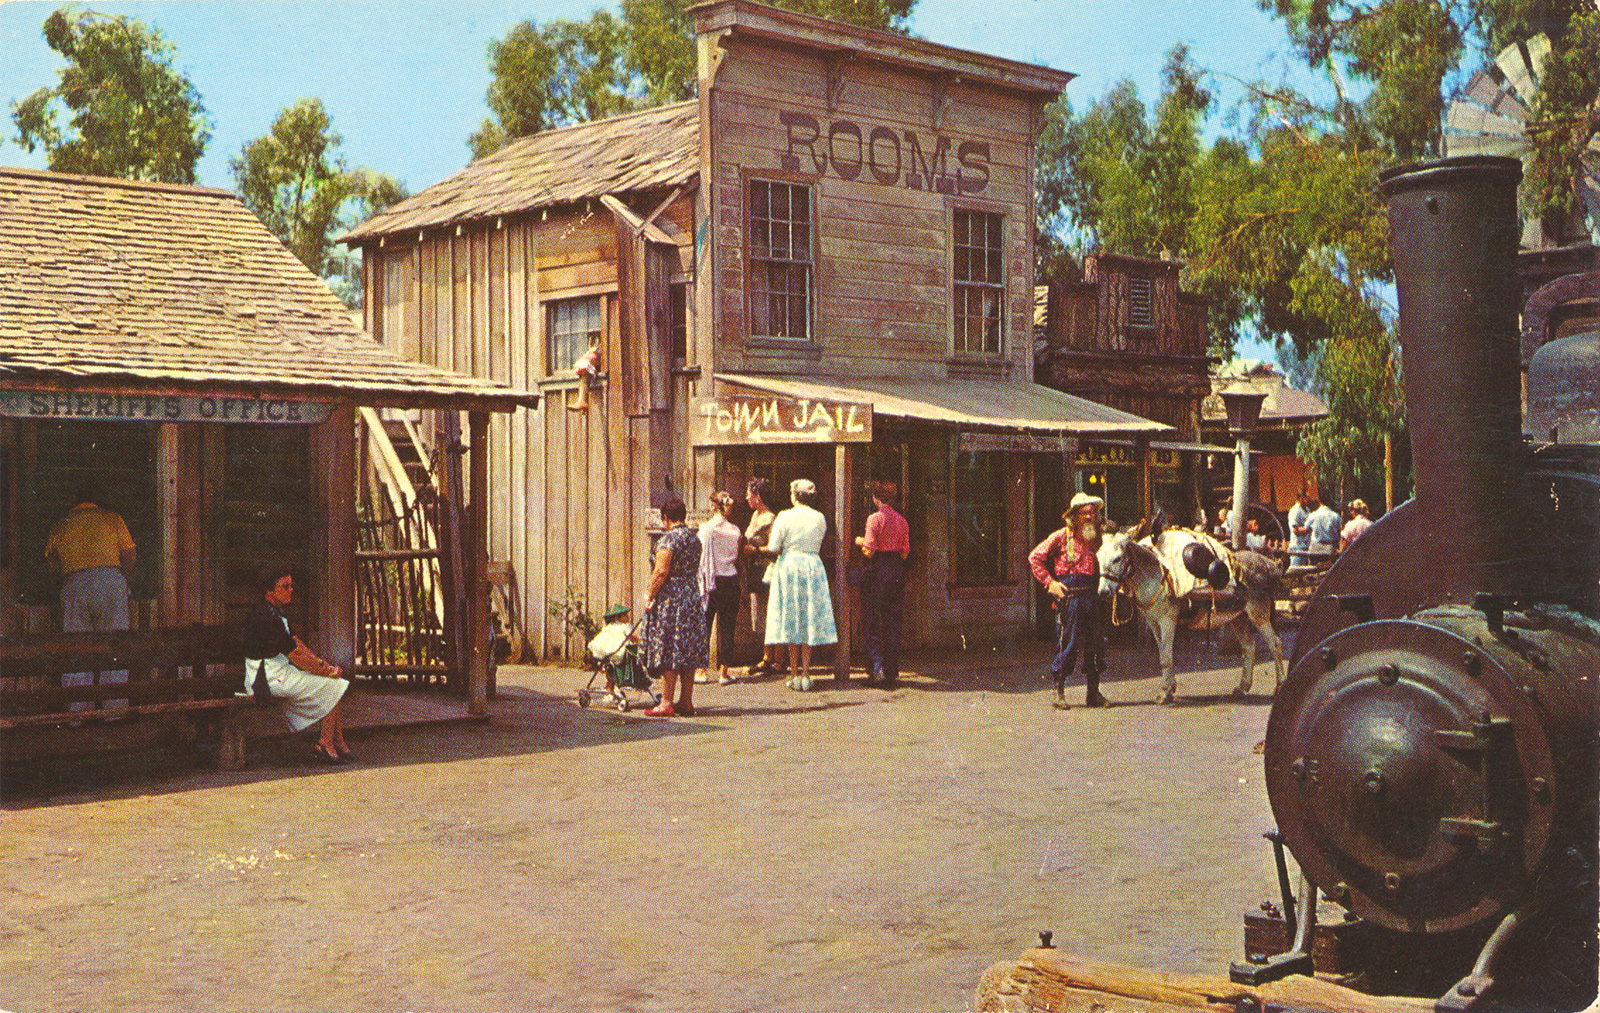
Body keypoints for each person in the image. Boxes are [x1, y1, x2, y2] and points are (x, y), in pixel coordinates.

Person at [239, 564, 354, 763]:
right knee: (333, 684)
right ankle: (326, 743)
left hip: (278, 671)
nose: (291, 590)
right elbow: (294, 655)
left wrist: (322, 665)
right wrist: (325, 672)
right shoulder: (265, 617)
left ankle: (336, 740)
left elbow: (297, 643)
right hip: (265, 678)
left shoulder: (277, 611)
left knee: (333, 682)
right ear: (269, 591)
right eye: (285, 586)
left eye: (291, 585)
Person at [45, 487, 136, 714]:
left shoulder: (61, 524)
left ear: (73, 500)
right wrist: (119, 577)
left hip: (75, 583)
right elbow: (128, 555)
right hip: (111, 581)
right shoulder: (112, 519)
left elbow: (53, 565)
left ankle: (77, 714)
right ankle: (114, 713)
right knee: (115, 647)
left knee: (77, 649)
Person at [1028, 492, 1108, 710]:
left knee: (1095, 643)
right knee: (1068, 643)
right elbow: (1035, 557)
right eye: (1085, 513)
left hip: (1092, 595)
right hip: (1070, 598)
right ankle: (1058, 691)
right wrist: (1050, 583)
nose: (1090, 517)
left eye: (1093, 512)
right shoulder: (1061, 536)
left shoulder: (1097, 538)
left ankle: (1093, 693)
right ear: (1074, 516)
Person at [764, 478, 838, 691]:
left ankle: (794, 673)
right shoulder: (820, 517)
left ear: (794, 496)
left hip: (790, 566)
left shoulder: (785, 516)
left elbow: (774, 546)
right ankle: (806, 672)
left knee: (792, 617)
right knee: (808, 618)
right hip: (813, 566)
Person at [642, 495, 708, 716]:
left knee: (669, 646)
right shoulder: (694, 539)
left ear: (665, 517)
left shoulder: (668, 540)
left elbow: (661, 571)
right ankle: (686, 701)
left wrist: (649, 596)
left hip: (671, 599)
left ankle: (666, 702)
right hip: (691, 595)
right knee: (687, 648)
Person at [854, 480, 910, 687]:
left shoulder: (874, 519)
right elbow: (905, 552)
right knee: (892, 622)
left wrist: (860, 541)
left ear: (875, 498)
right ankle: (891, 670)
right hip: (896, 568)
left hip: (877, 569)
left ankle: (876, 668)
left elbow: (869, 549)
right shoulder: (902, 521)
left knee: (871, 621)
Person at [697, 490, 744, 685]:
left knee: (704, 625)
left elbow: (700, 557)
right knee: (727, 627)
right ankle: (724, 672)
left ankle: (701, 671)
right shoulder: (735, 530)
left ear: (713, 506)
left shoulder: (706, 529)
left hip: (711, 581)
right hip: (731, 580)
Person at [741, 478, 783, 679]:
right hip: (755, 570)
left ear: (758, 496)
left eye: (749, 493)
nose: (747, 497)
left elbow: (775, 547)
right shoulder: (755, 515)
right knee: (760, 614)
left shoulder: (770, 519)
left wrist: (755, 549)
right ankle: (767, 656)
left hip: (767, 570)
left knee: (771, 612)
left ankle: (776, 658)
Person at [566, 341, 601, 413]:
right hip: (589, 370)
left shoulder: (595, 355)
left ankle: (582, 401)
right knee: (583, 379)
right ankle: (582, 401)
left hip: (592, 369)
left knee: (584, 376)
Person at [1307, 494, 1342, 558]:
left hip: (1316, 548)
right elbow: (1340, 530)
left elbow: (1306, 528)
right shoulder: (1335, 516)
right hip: (1331, 548)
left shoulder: (1312, 515)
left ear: (1318, 500)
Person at [1287, 487, 1314, 567]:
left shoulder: (1307, 510)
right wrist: (1308, 530)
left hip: (1306, 546)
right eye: (1307, 498)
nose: (1309, 500)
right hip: (1297, 547)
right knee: (1295, 571)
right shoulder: (1295, 511)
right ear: (1302, 498)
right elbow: (1295, 529)